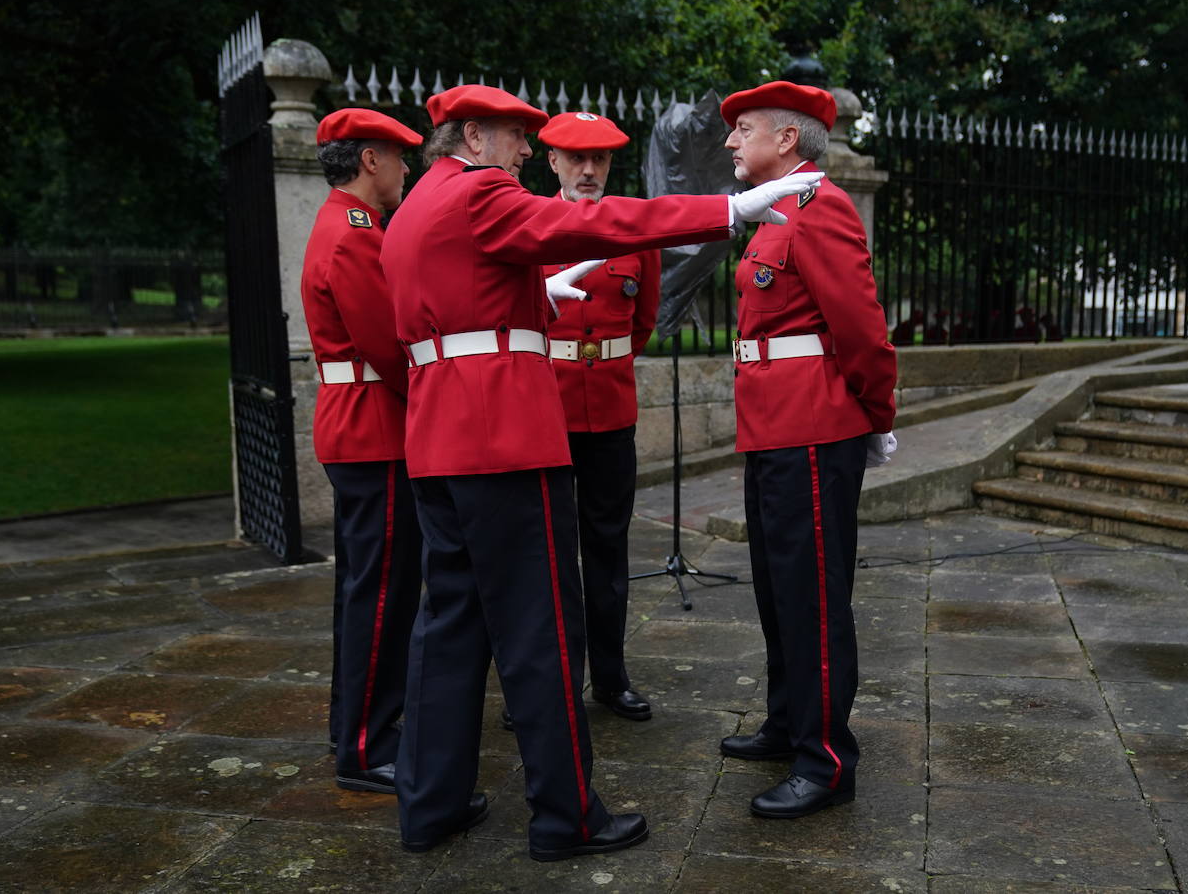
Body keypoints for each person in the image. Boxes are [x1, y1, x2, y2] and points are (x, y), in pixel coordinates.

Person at [379, 84, 820, 860]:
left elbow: (456, 306)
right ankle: (566, 816)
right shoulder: (479, 192)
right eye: (516, 136)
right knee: (540, 629)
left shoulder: (418, 203)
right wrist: (728, 210)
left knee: (448, 625)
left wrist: (534, 295)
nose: (526, 150)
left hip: (440, 436)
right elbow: (601, 222)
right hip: (502, 438)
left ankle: (431, 804)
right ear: (473, 137)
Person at [716, 81, 899, 819]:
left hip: (816, 428)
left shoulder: (821, 207)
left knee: (813, 599)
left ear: (787, 138)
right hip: (774, 426)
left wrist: (876, 413)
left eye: (744, 128)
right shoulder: (777, 211)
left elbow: (860, 326)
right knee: (776, 587)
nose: (730, 140)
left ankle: (825, 759)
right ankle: (789, 722)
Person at [299, 108, 426, 796]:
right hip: (375, 429)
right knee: (383, 594)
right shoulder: (353, 234)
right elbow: (389, 346)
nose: (406, 169)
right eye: (399, 157)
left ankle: (351, 726)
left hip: (360, 427)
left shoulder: (350, 226)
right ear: (369, 160)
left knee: (364, 589)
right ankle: (368, 745)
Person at [538, 111, 658, 722]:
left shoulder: (633, 231)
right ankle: (547, 682)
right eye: (576, 158)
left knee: (608, 551)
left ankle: (610, 678)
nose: (588, 170)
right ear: (552, 162)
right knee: (547, 553)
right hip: (546, 410)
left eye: (600, 159)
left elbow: (642, 322)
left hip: (610, 409)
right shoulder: (529, 223)